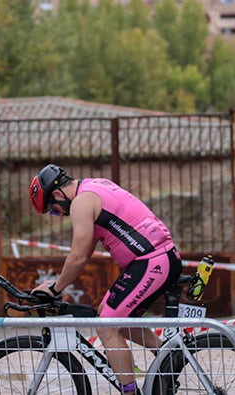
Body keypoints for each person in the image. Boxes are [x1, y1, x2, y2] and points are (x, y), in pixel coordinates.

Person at [28, 164, 182, 393]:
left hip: (152, 260)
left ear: (58, 195)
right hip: (156, 259)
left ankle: (131, 390)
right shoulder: (93, 186)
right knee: (111, 318)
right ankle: (170, 356)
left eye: (53, 210)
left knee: (106, 324)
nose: (58, 216)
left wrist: (56, 288)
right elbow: (85, 251)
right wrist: (57, 285)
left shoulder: (81, 202)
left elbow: (79, 256)